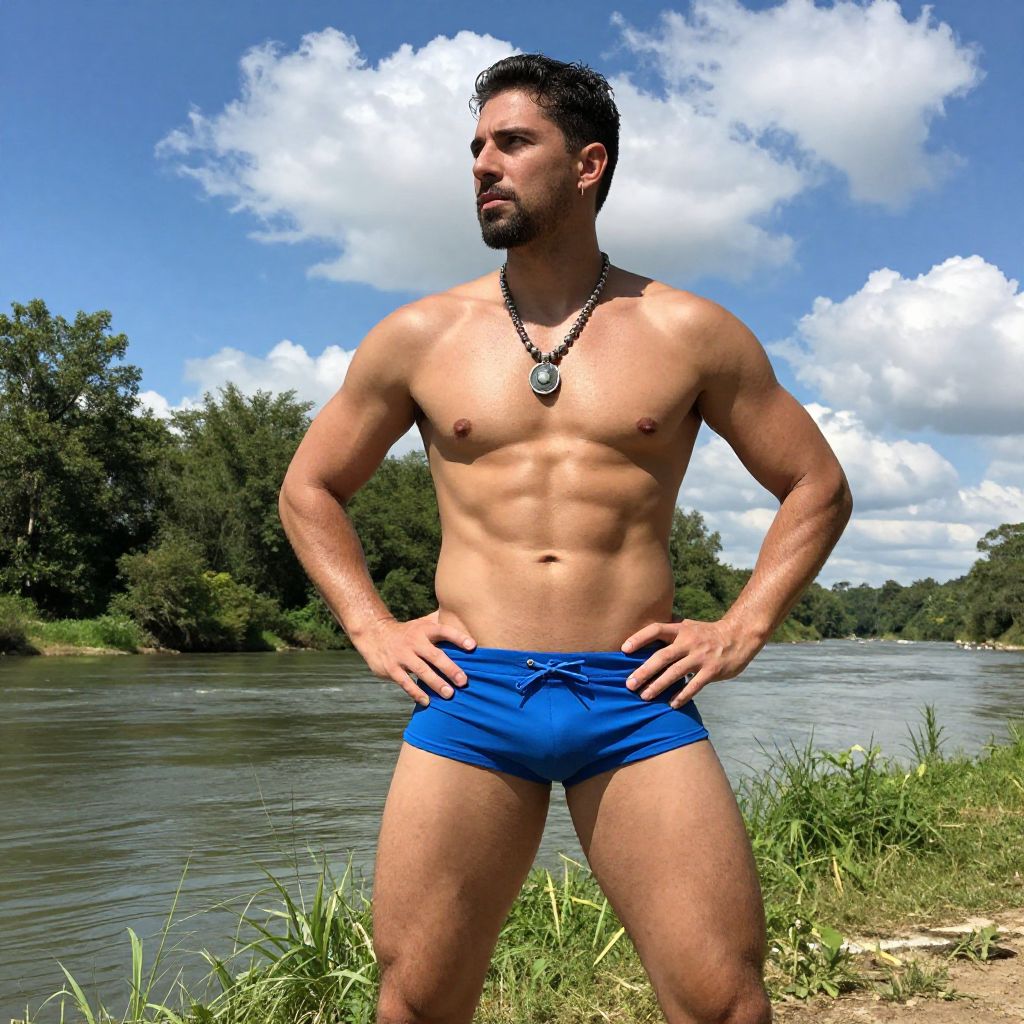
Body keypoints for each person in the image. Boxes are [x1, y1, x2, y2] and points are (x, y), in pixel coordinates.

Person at [279, 52, 852, 1024]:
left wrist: (741, 626)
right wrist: (372, 627)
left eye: (511, 142)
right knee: (414, 1000)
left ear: (588, 164)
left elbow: (816, 484)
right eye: (475, 147)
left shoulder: (688, 331)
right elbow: (309, 487)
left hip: (634, 697)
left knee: (725, 1000)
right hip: (469, 694)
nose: (482, 164)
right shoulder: (419, 335)